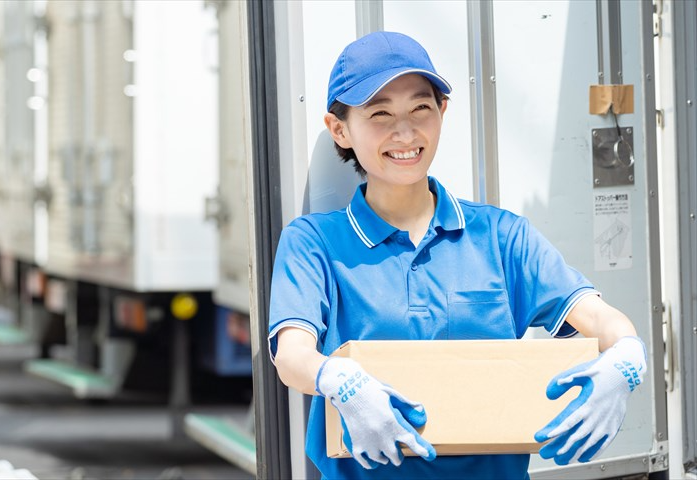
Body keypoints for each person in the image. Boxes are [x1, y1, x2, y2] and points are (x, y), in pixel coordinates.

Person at [268, 31, 647, 480]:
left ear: (442, 112)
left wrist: (626, 358)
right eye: (380, 114)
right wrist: (338, 380)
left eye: (420, 108)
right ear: (340, 129)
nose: (405, 132)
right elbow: (292, 356)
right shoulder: (315, 242)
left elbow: (603, 321)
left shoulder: (501, 236)